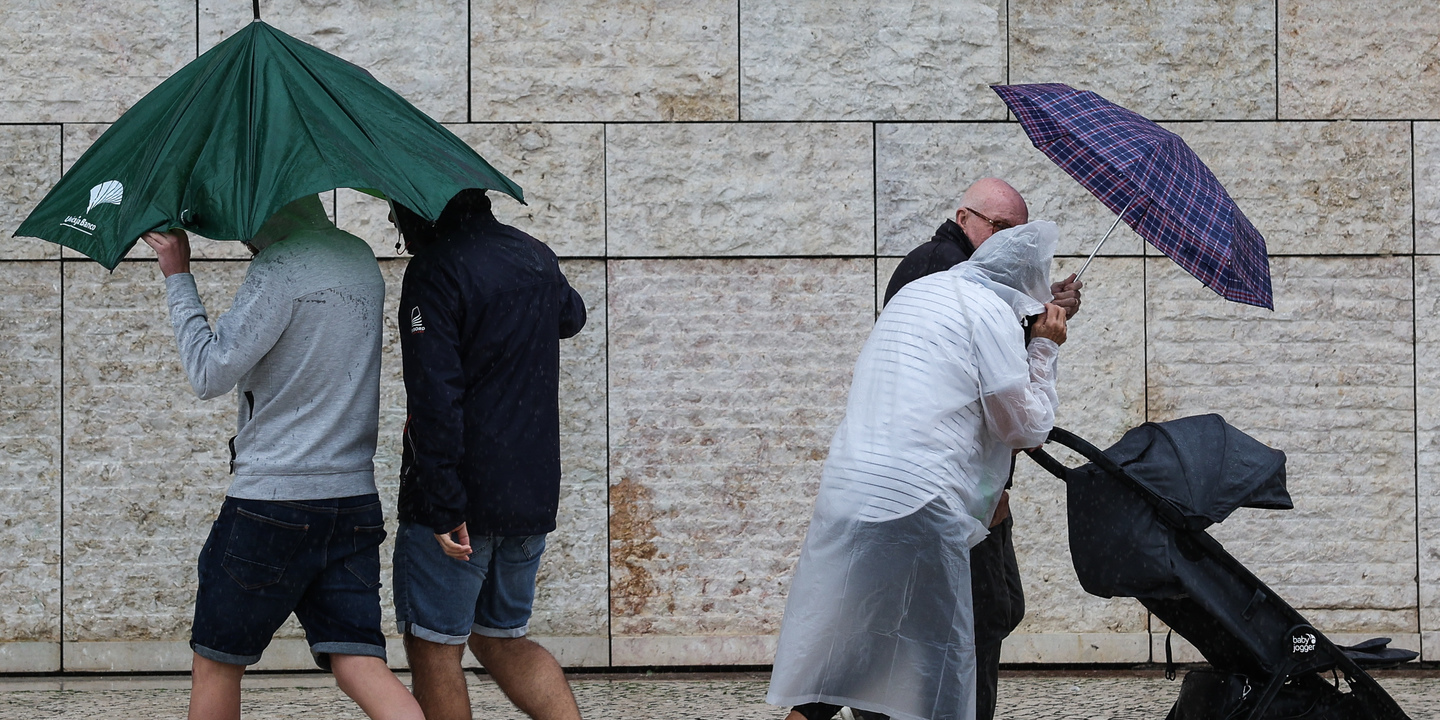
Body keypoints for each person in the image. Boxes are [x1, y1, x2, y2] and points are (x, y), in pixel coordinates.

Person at [767, 219, 1069, 720]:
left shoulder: (923, 290)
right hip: (920, 503)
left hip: (851, 491)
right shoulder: (992, 310)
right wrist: (1044, 347)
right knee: (937, 658)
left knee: (846, 648)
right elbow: (1021, 426)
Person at [141, 195, 423, 720]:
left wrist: (177, 274)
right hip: (352, 499)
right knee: (358, 660)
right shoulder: (359, 256)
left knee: (217, 665)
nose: (242, 237)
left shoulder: (281, 266)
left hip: (271, 504)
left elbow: (209, 372)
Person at [884, 178, 1082, 720]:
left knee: (967, 621)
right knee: (980, 621)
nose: (1005, 245)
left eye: (1018, 236)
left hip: (946, 489)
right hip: (956, 497)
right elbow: (1009, 408)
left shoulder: (961, 272)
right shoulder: (945, 272)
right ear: (964, 216)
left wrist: (1042, 312)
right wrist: (1043, 339)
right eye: (998, 230)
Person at [390, 189, 587, 720]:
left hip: (463, 503)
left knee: (435, 647)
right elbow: (573, 315)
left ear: (423, 210)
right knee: (502, 639)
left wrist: (442, 502)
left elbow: (435, 398)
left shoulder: (434, 271)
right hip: (531, 491)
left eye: (397, 210)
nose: (394, 220)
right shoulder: (534, 254)